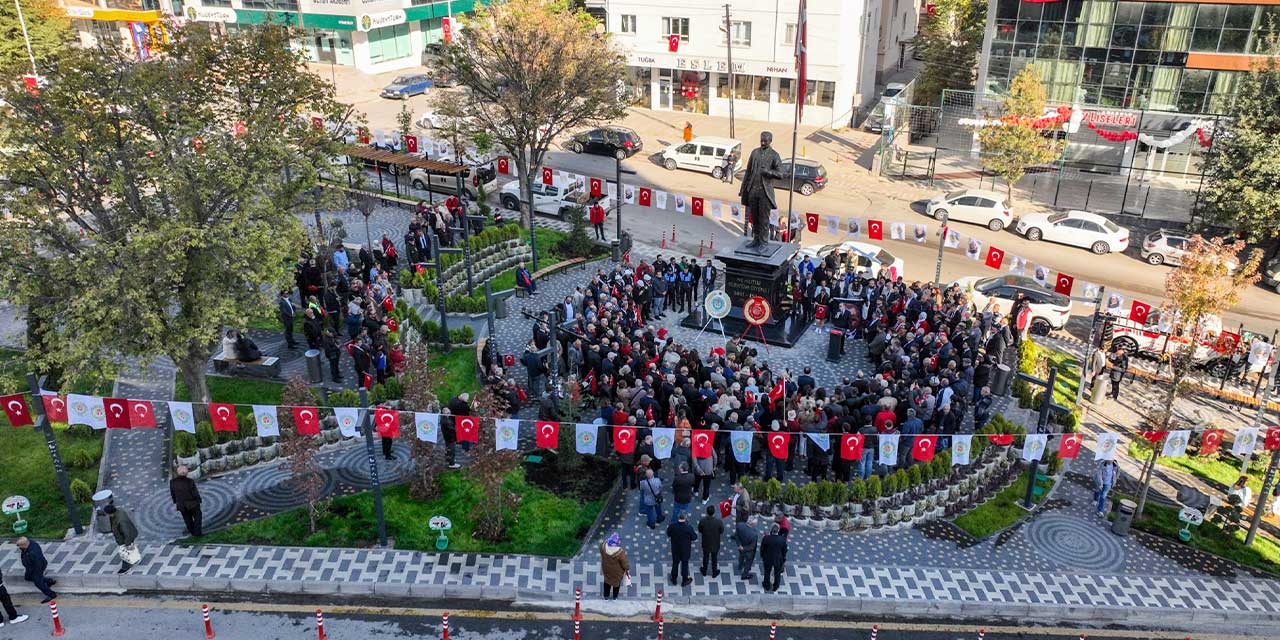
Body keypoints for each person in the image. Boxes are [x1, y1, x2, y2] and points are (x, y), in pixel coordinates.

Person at [16, 538, 56, 603]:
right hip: (38, 565)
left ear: (24, 545)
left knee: (38, 583)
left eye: (19, 546)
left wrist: (31, 573)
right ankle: (49, 581)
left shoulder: (31, 553)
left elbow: (34, 565)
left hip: (36, 568)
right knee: (29, 578)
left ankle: (51, 594)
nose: (19, 547)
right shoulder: (31, 543)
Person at [665, 511, 698, 587]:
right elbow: (694, 537)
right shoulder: (688, 527)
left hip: (675, 548)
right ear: (685, 517)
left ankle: (674, 579)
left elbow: (668, 533)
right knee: (685, 564)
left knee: (675, 563)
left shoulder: (673, 526)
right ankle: (684, 580)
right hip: (685, 549)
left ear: (678, 517)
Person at [169, 465, 203, 537]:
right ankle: (197, 533)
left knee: (187, 519)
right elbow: (195, 493)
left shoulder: (172, 482)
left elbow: (173, 494)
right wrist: (199, 500)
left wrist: (176, 502)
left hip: (181, 505)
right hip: (193, 503)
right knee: (198, 517)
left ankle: (192, 532)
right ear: (186, 473)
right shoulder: (190, 481)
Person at [106, 504, 140, 574]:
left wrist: (127, 543)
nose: (107, 516)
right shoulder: (119, 510)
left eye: (107, 514)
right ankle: (136, 559)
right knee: (131, 549)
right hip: (130, 534)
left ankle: (125, 568)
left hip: (125, 539)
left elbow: (126, 533)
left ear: (110, 513)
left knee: (124, 553)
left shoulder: (120, 521)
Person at [598, 533, 629, 600]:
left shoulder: (603, 546)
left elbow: (600, 550)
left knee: (607, 582)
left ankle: (606, 597)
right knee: (616, 584)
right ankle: (615, 597)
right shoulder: (620, 552)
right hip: (616, 572)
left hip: (606, 569)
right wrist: (627, 568)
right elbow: (624, 563)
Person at [760, 523, 788, 592]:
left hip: (768, 558)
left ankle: (766, 585)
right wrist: (783, 557)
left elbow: (762, 548)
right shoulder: (782, 539)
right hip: (778, 559)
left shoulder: (766, 538)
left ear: (771, 530)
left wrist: (762, 556)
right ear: (778, 530)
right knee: (777, 573)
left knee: (767, 572)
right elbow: (784, 550)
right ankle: (776, 586)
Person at [697, 504, 723, 578]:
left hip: (706, 542)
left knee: (705, 557)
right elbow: (721, 530)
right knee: (714, 558)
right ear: (714, 512)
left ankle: (704, 571)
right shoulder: (718, 522)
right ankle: (714, 572)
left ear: (707, 512)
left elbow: (700, 530)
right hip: (715, 542)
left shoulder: (703, 521)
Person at [733, 516, 759, 581]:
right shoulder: (754, 534)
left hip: (740, 547)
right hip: (748, 551)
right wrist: (743, 548)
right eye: (756, 524)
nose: (756, 525)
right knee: (748, 562)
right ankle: (744, 575)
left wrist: (739, 545)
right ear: (752, 524)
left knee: (741, 556)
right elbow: (752, 546)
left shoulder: (740, 525)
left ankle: (740, 566)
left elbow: (736, 536)